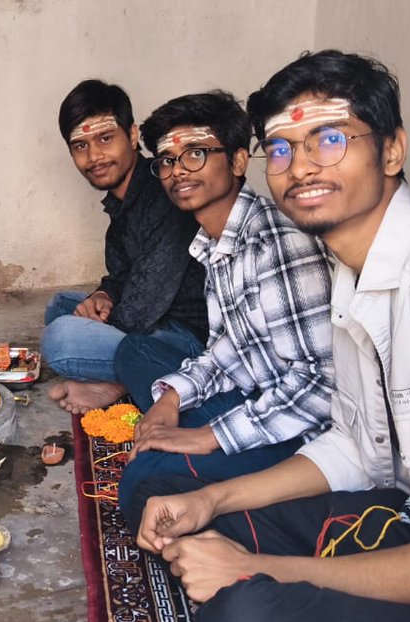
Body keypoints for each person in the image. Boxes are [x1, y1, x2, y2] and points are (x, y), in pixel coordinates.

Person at [134, 51, 410, 622]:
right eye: (281, 148)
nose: (301, 165)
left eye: (330, 138)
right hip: (406, 513)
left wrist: (263, 570)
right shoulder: (354, 273)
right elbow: (354, 447)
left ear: (392, 151)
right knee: (177, 504)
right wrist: (214, 498)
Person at [115, 91, 334, 530]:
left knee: (144, 481)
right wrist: (172, 398)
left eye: (195, 153)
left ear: (237, 162)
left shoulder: (277, 242)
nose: (177, 171)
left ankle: (262, 509)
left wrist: (209, 436)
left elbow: (321, 390)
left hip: (303, 435)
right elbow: (228, 349)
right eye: (167, 160)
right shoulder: (213, 244)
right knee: (132, 354)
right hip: (254, 394)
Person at [44, 79, 210, 414]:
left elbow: (141, 308)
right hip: (155, 318)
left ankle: (125, 381)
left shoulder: (163, 193)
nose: (94, 156)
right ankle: (127, 378)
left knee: (60, 340)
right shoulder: (122, 203)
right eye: (80, 146)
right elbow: (123, 275)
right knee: (61, 305)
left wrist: (103, 318)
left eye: (105, 139)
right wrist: (103, 296)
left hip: (189, 337)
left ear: (132, 136)